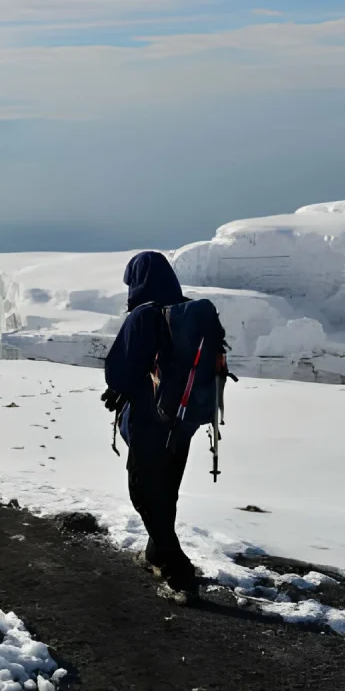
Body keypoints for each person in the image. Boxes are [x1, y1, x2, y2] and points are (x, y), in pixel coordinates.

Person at [102, 251, 197, 594]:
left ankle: (178, 573)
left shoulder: (144, 315)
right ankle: (157, 553)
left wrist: (119, 389)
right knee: (166, 491)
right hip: (184, 421)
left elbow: (120, 370)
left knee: (143, 491)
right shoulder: (189, 312)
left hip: (149, 422)